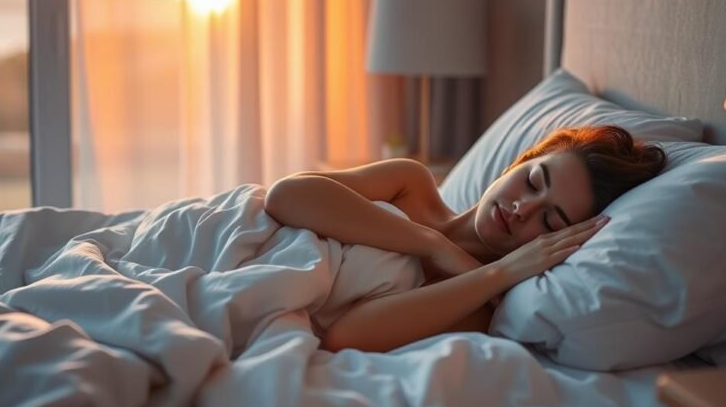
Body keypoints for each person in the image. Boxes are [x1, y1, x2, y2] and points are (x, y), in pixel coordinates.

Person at [264, 125, 667, 353]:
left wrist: (495, 275)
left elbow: (345, 337)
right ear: (518, 163)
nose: (522, 209)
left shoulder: (481, 306)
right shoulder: (410, 184)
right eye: (532, 181)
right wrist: (433, 244)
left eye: (549, 221)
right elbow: (285, 197)